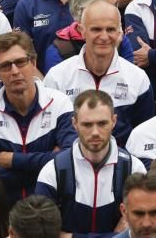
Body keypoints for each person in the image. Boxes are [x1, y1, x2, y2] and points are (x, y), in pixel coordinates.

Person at [34, 89, 147, 235]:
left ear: (114, 121)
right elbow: (41, 233)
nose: (95, 132)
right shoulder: (52, 171)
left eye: (102, 123)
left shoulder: (134, 169)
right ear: (74, 124)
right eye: (87, 125)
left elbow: (142, 230)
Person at [42, 0, 153, 144]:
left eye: (110, 29)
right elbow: (48, 133)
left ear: (120, 33)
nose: (104, 36)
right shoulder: (57, 77)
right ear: (82, 31)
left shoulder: (138, 79)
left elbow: (143, 136)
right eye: (96, 29)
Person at [0, 31, 76, 202]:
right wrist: (47, 162)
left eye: (21, 62)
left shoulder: (60, 103)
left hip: (52, 209)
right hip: (6, 214)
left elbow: (70, 160)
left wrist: (13, 160)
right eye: (6, 65)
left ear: (34, 63)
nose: (15, 71)